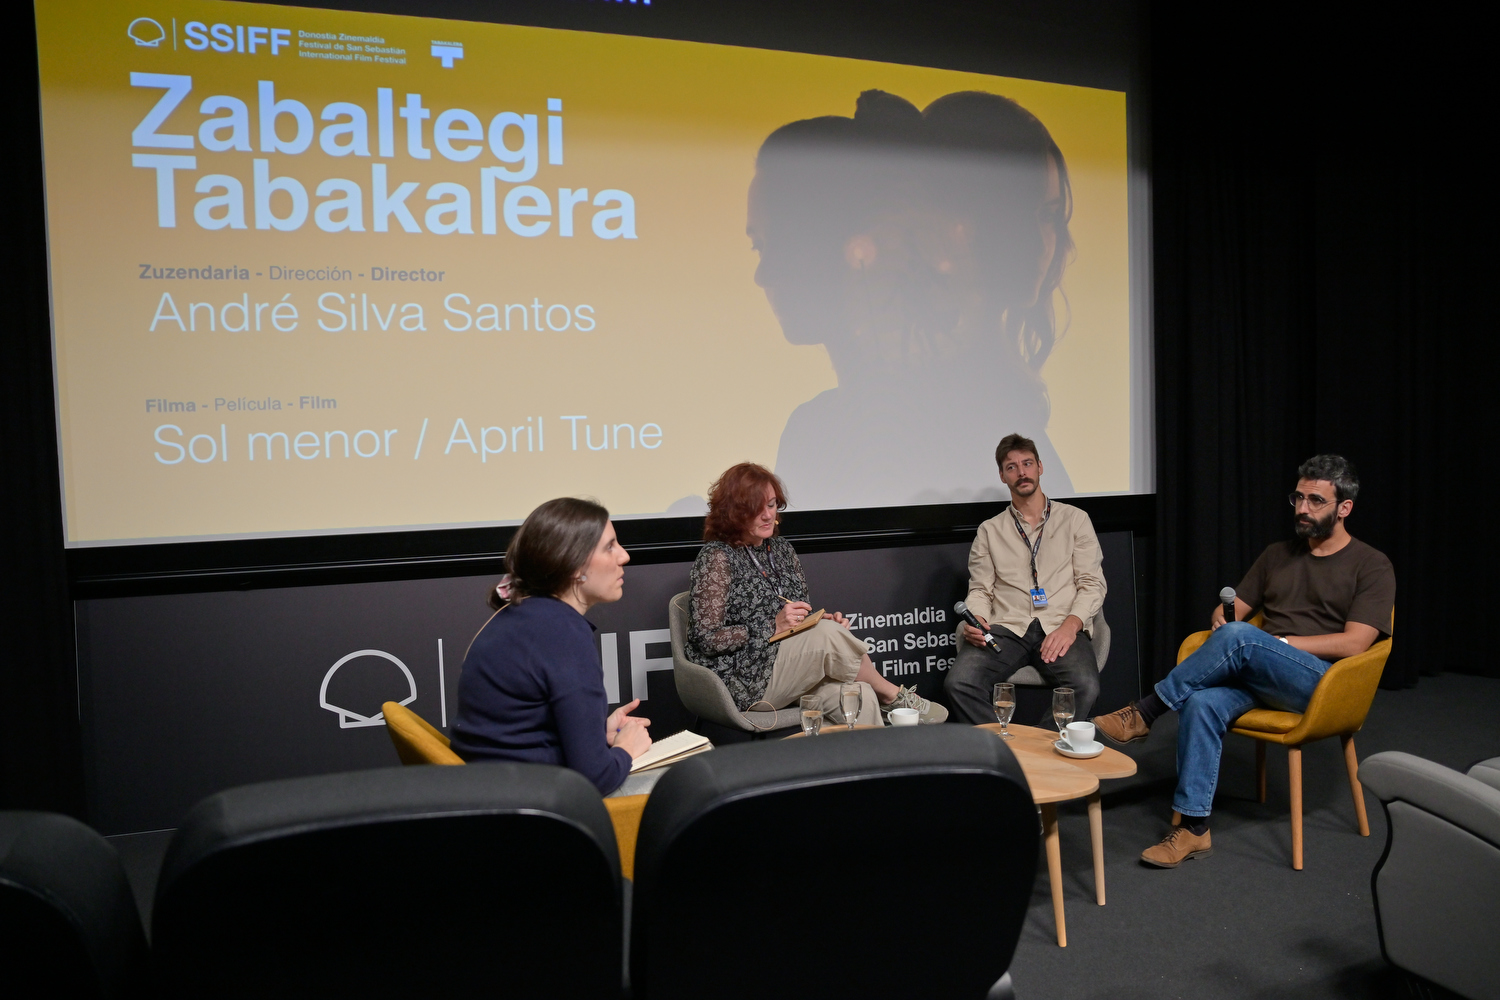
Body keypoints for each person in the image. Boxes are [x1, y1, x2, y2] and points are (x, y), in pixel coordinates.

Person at [753, 89, 1077, 509]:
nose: (1035, 243)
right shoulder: (829, 426)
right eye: (761, 245)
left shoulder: (984, 412)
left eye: (1047, 215)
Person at [1093, 455, 1396, 868]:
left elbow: (1356, 643)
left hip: (1321, 683)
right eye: (1298, 498)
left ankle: (1146, 712)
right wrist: (1223, 619)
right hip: (1261, 673)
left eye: (1315, 500)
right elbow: (1235, 610)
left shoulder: (1372, 564)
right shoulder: (1277, 555)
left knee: (1242, 639)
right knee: (1202, 701)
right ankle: (1194, 828)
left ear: (1344, 508)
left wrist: (1276, 642)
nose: (1302, 508)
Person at [686, 462, 948, 725]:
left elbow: (800, 615)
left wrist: (818, 623)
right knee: (828, 637)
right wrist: (771, 626)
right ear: (734, 512)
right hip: (745, 679)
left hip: (793, 669)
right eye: (756, 509)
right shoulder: (717, 557)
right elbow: (705, 638)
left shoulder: (781, 550)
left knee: (859, 694)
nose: (767, 515)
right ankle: (892, 695)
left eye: (772, 505)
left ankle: (875, 749)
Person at [449, 497, 652, 794]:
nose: (624, 556)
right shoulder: (564, 635)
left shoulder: (519, 615)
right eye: (610, 547)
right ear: (574, 566)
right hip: (532, 802)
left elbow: (521, 730)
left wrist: (598, 733)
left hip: (491, 788)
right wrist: (626, 749)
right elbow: (595, 779)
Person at [944, 433, 1105, 724]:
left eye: (1027, 463)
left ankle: (1041, 748)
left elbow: (1092, 584)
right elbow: (980, 589)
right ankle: (1003, 747)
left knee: (1085, 686)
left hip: (1060, 623)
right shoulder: (990, 530)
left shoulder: (1075, 519)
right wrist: (978, 617)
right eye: (1012, 467)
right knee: (959, 683)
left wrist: (1071, 627)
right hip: (1007, 627)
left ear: (1040, 467)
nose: (1021, 472)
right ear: (1002, 476)